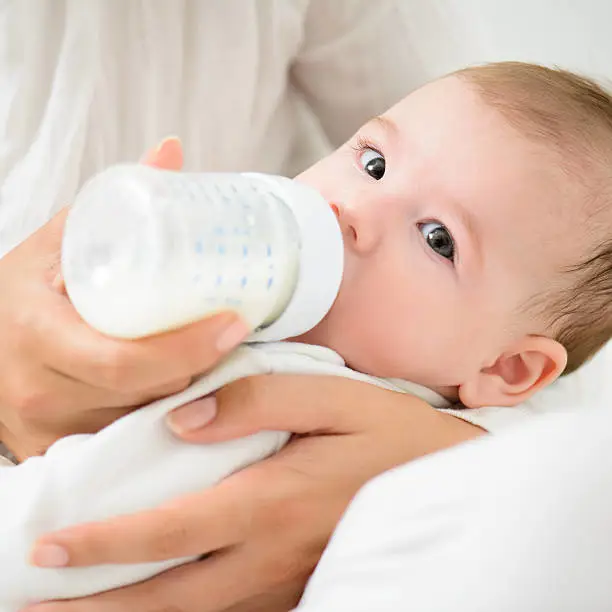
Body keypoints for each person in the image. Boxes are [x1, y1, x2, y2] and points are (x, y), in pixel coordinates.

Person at [7, 61, 612, 608]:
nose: (350, 211)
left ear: (508, 370)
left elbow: (39, 536)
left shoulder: (281, 406)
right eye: (373, 162)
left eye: (437, 239)